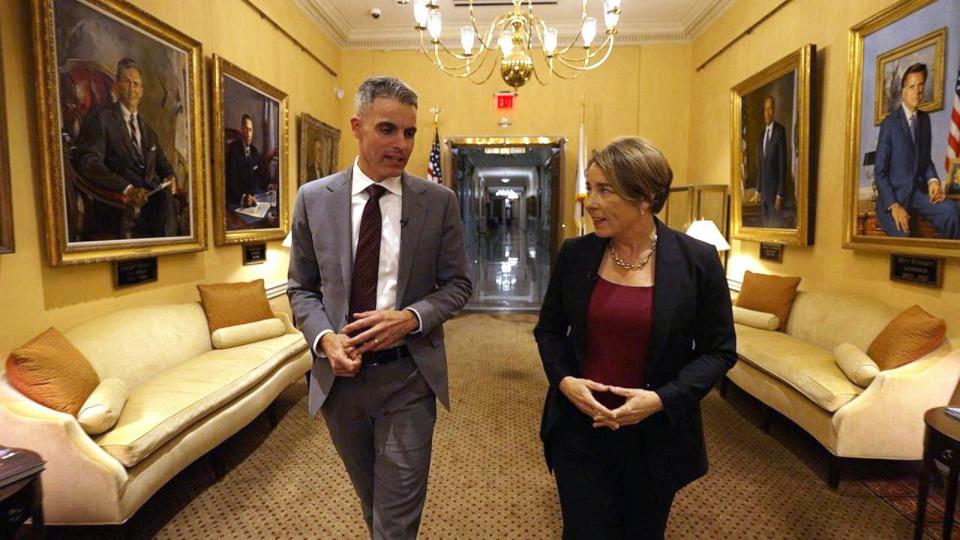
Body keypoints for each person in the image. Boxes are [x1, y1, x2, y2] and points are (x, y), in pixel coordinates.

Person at [287, 76, 472, 540]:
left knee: (396, 519)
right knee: (373, 504)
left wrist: (411, 318)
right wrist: (325, 338)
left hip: (408, 377)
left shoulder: (438, 202)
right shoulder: (314, 199)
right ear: (357, 125)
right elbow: (301, 288)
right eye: (388, 129)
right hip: (340, 382)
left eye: (409, 133)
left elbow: (459, 285)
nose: (402, 144)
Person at [534, 137, 737, 539]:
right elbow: (550, 331)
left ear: (644, 197)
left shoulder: (697, 261)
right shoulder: (575, 255)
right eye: (590, 188)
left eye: (604, 190)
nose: (590, 202)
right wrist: (565, 381)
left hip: (655, 436)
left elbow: (719, 351)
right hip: (580, 429)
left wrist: (662, 399)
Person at [73, 57, 179, 239]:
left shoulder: (148, 131)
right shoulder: (101, 118)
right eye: (127, 82)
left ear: (142, 91)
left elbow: (163, 164)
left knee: (168, 201)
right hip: (117, 205)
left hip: (153, 202)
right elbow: (88, 162)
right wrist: (127, 189)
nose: (132, 89)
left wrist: (171, 176)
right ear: (116, 86)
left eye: (136, 84)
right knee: (166, 205)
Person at [874, 62, 959, 238]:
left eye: (921, 85)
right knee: (903, 235)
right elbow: (880, 172)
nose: (917, 91)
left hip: (918, 195)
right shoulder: (889, 125)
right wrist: (894, 206)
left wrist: (933, 180)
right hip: (894, 198)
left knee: (952, 211)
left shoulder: (925, 120)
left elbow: (925, 160)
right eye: (912, 86)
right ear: (903, 91)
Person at [749, 96, 787, 228]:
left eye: (770, 109)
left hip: (774, 195)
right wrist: (757, 191)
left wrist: (779, 195)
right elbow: (761, 166)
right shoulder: (761, 136)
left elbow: (783, 165)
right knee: (765, 230)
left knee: (774, 230)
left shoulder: (780, 131)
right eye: (765, 110)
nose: (767, 113)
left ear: (774, 110)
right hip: (763, 196)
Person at [225, 114, 264, 208]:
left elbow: (257, 179)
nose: (249, 134)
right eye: (246, 129)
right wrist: (242, 199)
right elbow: (230, 183)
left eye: (250, 130)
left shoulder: (255, 152)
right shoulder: (232, 150)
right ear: (242, 130)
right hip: (236, 202)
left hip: (253, 201)